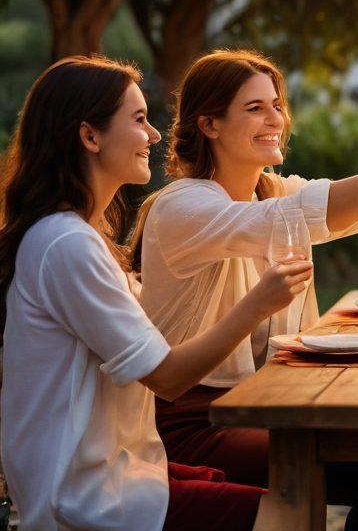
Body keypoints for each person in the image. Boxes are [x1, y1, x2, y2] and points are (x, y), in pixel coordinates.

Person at [134, 49, 358, 531]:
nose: (275, 117)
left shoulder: (271, 190)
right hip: (192, 423)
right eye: (254, 108)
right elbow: (314, 214)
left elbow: (346, 210)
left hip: (263, 402)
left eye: (276, 104)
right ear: (209, 124)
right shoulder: (183, 206)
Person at [1, 56, 312, 530]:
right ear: (90, 136)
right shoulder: (67, 245)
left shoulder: (78, 238)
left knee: (287, 490)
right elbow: (167, 378)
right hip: (84, 496)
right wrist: (258, 305)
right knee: (289, 513)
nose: (155, 135)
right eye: (140, 120)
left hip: (124, 471)